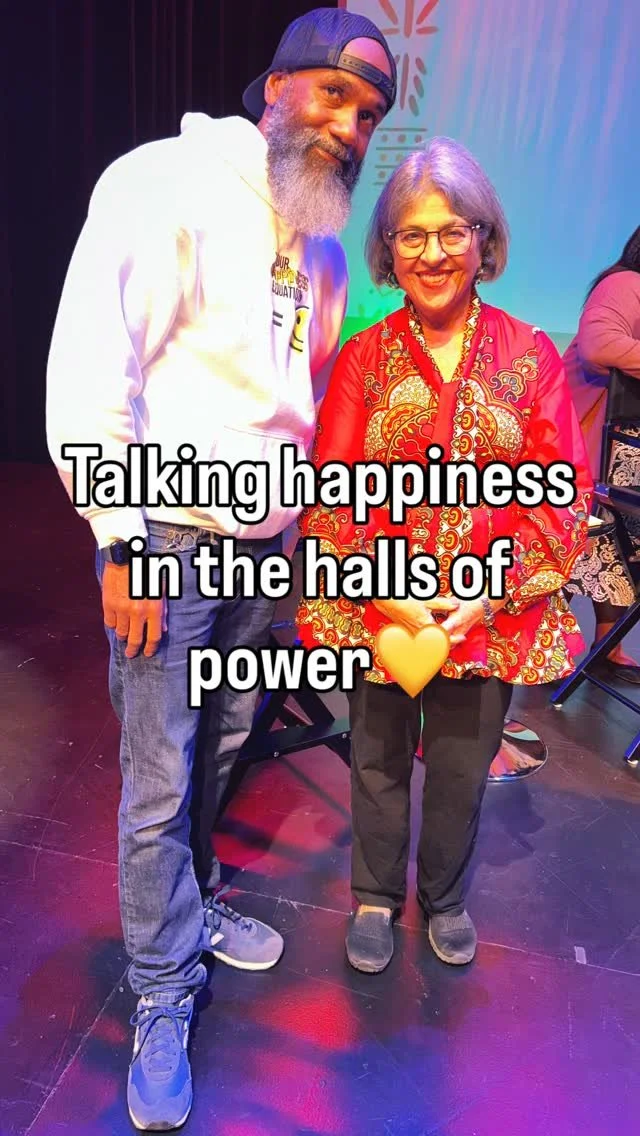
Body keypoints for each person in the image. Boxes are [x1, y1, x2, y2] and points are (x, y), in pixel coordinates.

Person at [46, 8, 396, 1129]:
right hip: (170, 543)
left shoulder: (324, 242)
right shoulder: (164, 183)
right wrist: (120, 541)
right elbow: (95, 367)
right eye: (335, 96)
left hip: (264, 550)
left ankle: (188, 913)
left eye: (370, 115)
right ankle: (161, 989)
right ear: (278, 87)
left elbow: (298, 404)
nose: (349, 128)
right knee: (160, 777)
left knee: (223, 747)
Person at [297, 137, 592, 976]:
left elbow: (561, 492)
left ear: (483, 238)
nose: (433, 254)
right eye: (412, 235)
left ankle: (446, 897)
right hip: (380, 610)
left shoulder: (529, 356)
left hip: (486, 615)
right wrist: (385, 591)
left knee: (462, 771)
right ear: (389, 248)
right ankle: (374, 896)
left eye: (451, 232)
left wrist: (487, 592)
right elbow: (331, 491)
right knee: (377, 761)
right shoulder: (363, 357)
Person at [563, 227, 640, 682]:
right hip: (588, 444)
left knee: (616, 546)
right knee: (578, 543)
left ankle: (607, 646)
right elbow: (599, 345)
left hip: (623, 454)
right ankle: (542, 644)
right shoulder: (626, 283)